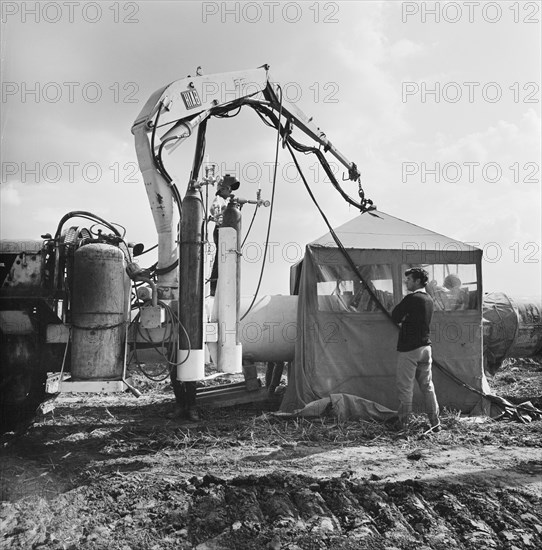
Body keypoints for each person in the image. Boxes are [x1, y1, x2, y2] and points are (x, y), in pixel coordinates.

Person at [391, 267, 440, 431]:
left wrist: (405, 317)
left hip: (410, 349)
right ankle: (435, 422)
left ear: (418, 281)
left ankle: (404, 424)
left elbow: (395, 315)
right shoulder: (429, 300)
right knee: (427, 386)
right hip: (426, 348)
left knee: (405, 388)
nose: (407, 282)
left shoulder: (411, 299)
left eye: (409, 280)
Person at [209, 174, 240, 296]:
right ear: (222, 189)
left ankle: (223, 285)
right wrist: (222, 212)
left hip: (226, 230)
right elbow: (214, 209)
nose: (231, 190)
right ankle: (214, 286)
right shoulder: (219, 200)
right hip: (220, 230)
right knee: (220, 257)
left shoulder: (226, 201)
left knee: (227, 257)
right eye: (229, 188)